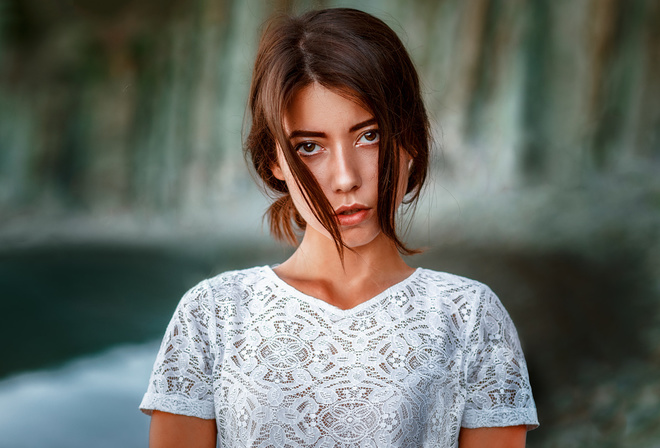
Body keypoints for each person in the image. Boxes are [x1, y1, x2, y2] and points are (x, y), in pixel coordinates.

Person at [139, 7, 539, 448]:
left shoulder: (469, 317)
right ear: (274, 160)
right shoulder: (213, 314)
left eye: (369, 135)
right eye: (310, 147)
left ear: (409, 139)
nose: (345, 178)